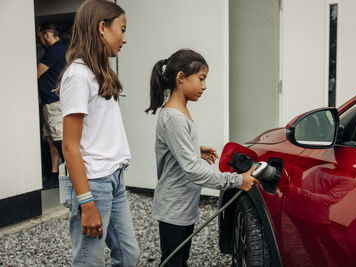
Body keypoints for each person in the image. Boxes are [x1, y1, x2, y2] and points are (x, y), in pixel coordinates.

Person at [145, 49, 259, 267]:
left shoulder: (179, 112)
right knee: (173, 262)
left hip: (182, 206)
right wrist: (237, 180)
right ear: (181, 78)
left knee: (180, 260)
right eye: (201, 78)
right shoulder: (174, 117)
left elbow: (176, 149)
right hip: (174, 208)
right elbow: (193, 171)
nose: (204, 86)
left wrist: (194, 149)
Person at [59, 0, 140, 266]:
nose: (125, 39)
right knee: (88, 261)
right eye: (122, 29)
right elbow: (70, 147)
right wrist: (86, 202)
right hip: (93, 184)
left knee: (129, 257)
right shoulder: (78, 76)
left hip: (114, 179)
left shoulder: (100, 72)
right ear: (102, 27)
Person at [37, 21, 67, 189]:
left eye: (39, 36)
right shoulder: (60, 49)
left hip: (54, 103)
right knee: (50, 139)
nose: (40, 40)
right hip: (50, 103)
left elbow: (35, 74)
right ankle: (55, 174)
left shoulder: (55, 51)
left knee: (59, 140)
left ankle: (69, 177)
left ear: (47, 35)